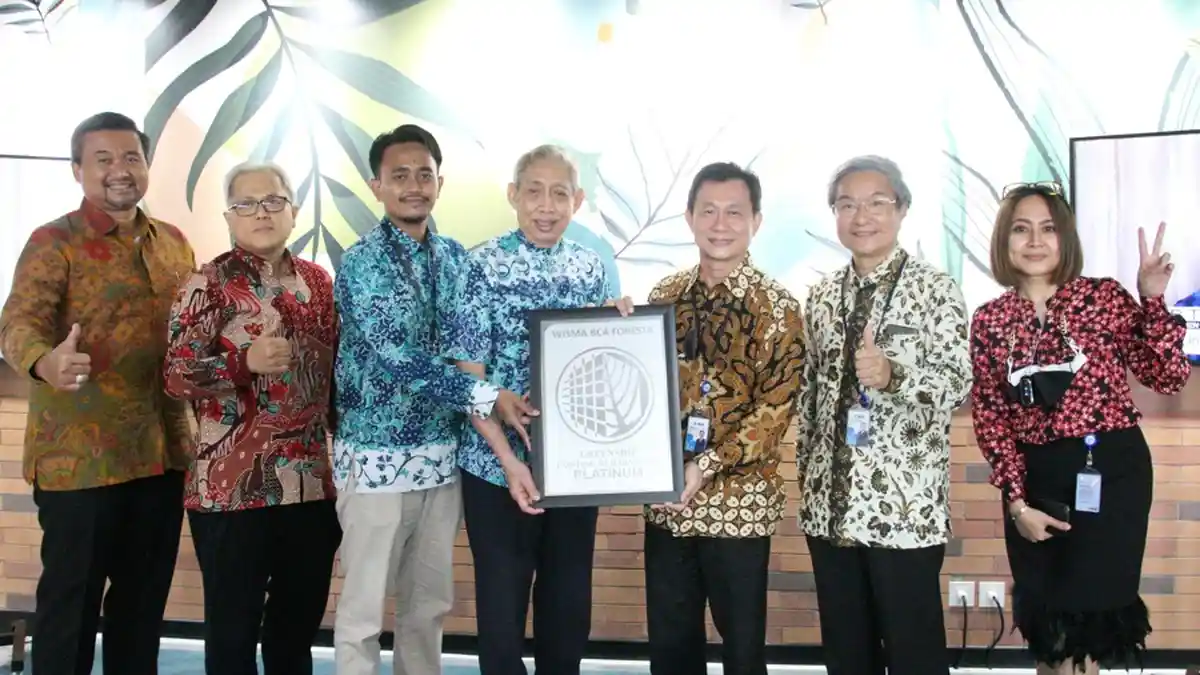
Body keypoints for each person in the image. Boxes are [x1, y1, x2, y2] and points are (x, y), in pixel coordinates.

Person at [331, 124, 532, 675]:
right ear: (377, 186)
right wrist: (490, 394)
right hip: (374, 465)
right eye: (400, 176)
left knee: (428, 609)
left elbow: (473, 352)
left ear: (439, 182)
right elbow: (401, 362)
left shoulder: (453, 257)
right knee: (364, 614)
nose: (414, 186)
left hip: (441, 462)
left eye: (425, 174)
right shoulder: (361, 262)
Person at [0, 112, 196, 675]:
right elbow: (17, 325)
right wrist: (45, 362)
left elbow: (192, 332)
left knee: (141, 609)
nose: (120, 171)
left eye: (131, 157)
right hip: (78, 463)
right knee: (71, 608)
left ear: (146, 166)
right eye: (103, 159)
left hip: (159, 456)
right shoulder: (52, 242)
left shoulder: (174, 245)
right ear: (78, 170)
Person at [969, 182, 1189, 675]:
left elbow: (1167, 376)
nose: (1035, 241)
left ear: (1066, 238)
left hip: (1112, 472)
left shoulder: (1103, 297)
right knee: (1049, 624)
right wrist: (1016, 501)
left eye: (1048, 229)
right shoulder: (990, 319)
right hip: (1036, 479)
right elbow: (990, 415)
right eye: (1021, 229)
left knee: (1090, 626)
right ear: (1004, 240)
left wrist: (1152, 300)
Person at [446, 144, 632, 675]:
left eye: (559, 194)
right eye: (534, 191)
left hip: (576, 467)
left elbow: (604, 358)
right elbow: (468, 379)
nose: (546, 206)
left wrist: (623, 320)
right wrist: (509, 462)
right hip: (492, 465)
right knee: (502, 611)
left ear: (578, 200)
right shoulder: (478, 265)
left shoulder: (591, 268)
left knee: (567, 604)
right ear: (513, 195)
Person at [162, 162, 342, 675]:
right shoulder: (209, 282)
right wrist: (243, 363)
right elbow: (175, 376)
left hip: (308, 486)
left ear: (293, 210)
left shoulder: (318, 282)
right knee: (232, 634)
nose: (261, 212)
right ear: (228, 216)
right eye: (246, 204)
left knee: (295, 633)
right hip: (231, 492)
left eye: (273, 201)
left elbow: (331, 377)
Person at [796, 155, 972, 675]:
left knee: (913, 654)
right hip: (830, 512)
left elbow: (957, 382)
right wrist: (809, 479)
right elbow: (811, 399)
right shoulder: (822, 297)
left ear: (902, 210)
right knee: (847, 657)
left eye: (877, 202)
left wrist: (894, 377)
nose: (861, 215)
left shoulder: (935, 290)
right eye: (846, 204)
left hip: (903, 512)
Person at [642, 162, 806, 675]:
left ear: (756, 221)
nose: (720, 223)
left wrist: (706, 464)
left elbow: (774, 412)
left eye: (734, 212)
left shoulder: (778, 308)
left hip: (740, 505)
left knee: (741, 650)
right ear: (689, 217)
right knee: (670, 646)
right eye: (708, 211)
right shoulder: (662, 297)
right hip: (667, 501)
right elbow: (643, 391)